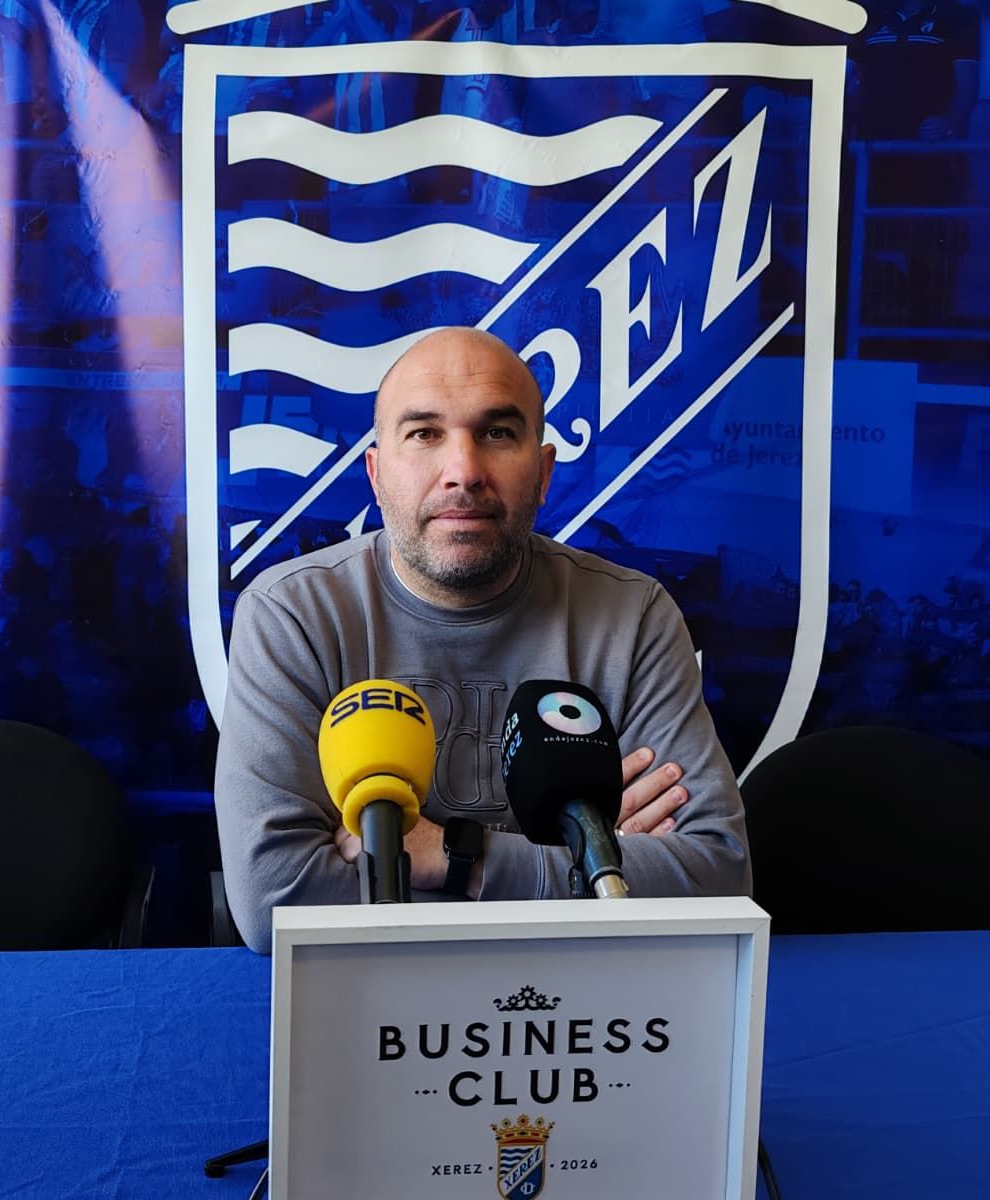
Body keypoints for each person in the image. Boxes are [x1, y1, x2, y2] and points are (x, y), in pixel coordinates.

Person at [214, 328, 751, 952]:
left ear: (543, 473)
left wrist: (452, 858)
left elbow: (718, 878)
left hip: (588, 996)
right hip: (375, 997)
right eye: (424, 434)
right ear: (376, 474)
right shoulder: (294, 616)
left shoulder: (632, 617)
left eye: (496, 433)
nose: (464, 472)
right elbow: (276, 898)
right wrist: (595, 864)